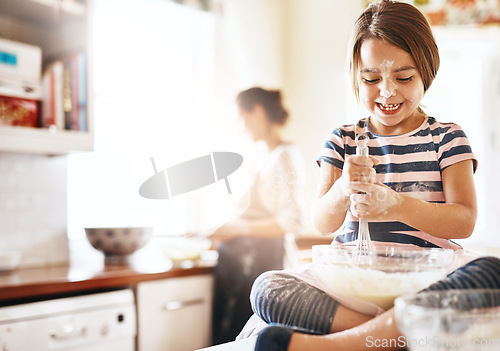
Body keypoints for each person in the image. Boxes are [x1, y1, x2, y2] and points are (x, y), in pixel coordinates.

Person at [243, 1, 500, 350]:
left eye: (404, 77)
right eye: (371, 78)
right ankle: (391, 335)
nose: (388, 91)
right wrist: (342, 190)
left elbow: (464, 221)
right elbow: (321, 221)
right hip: (352, 282)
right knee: (268, 289)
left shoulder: (447, 138)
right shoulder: (343, 139)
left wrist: (394, 205)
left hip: (426, 281)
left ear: (427, 71)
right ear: (355, 77)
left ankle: (338, 345)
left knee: (492, 272)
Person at [210, 87, 307, 345]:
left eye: (242, 118)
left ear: (258, 112)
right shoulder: (262, 156)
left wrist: (238, 230)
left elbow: (292, 221)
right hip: (246, 267)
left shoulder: (283, 156)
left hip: (266, 264)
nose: (242, 127)